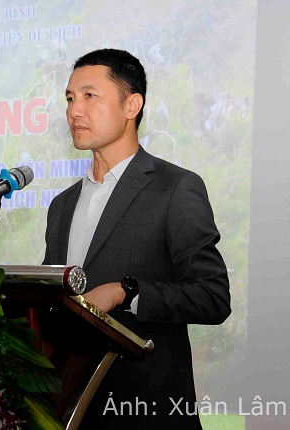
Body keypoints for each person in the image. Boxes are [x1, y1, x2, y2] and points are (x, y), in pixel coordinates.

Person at [42, 48, 231, 429]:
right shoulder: (62, 205)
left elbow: (212, 296)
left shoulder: (175, 188)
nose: (74, 111)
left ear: (132, 105)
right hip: (70, 410)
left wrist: (126, 292)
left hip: (146, 410)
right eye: (70, 98)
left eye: (89, 96)